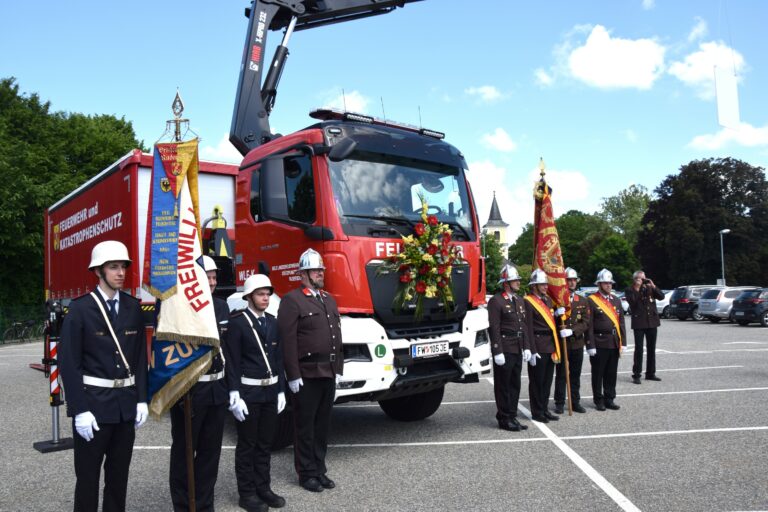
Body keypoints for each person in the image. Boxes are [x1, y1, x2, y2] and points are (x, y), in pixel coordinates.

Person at [59, 240, 148, 512]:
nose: (120, 272)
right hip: (94, 407)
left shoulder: (133, 307)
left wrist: (142, 398)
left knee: (118, 479)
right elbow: (69, 363)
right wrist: (79, 410)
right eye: (113, 267)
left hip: (124, 407)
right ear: (98, 271)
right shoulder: (80, 309)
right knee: (87, 479)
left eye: (123, 266)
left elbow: (140, 358)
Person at [278, 248, 343, 493]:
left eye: (321, 270)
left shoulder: (328, 298)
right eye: (316, 270)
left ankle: (320, 469)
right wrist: (292, 375)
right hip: (306, 374)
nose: (320, 273)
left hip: (327, 371)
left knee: (322, 426)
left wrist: (338, 367)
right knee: (305, 427)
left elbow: (336, 334)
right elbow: (288, 340)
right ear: (303, 274)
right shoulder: (292, 300)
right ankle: (306, 474)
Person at [168, 255, 230, 512]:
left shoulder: (221, 307)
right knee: (184, 452)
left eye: (215, 277)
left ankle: (205, 504)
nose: (213, 282)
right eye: (208, 276)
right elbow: (170, 355)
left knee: (209, 452)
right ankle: (183, 505)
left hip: (216, 388)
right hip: (190, 390)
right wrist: (180, 390)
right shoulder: (179, 308)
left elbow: (228, 350)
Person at [226, 274, 287, 511]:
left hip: (270, 392)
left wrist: (281, 390)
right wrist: (234, 393)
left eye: (268, 294)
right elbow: (232, 360)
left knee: (265, 444)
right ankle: (247, 493)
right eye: (261, 294)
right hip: (249, 393)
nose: (265, 298)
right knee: (247, 445)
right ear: (249, 296)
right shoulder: (238, 323)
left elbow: (278, 359)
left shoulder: (272, 322)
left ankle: (264, 488)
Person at [488, 265, 532, 432]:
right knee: (503, 385)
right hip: (505, 349)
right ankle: (504, 417)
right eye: (515, 280)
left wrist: (527, 347)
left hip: (518, 348)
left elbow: (524, 325)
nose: (519, 282)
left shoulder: (519, 300)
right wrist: (497, 350)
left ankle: (512, 415)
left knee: (515, 384)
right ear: (506, 283)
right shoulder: (496, 301)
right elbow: (494, 328)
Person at [524, 268, 565, 423]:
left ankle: (545, 409)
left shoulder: (548, 300)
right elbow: (528, 327)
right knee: (537, 381)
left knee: (547, 380)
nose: (546, 287)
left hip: (550, 345)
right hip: (538, 345)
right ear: (534, 286)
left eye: (546, 284)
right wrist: (532, 350)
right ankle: (537, 411)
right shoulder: (528, 301)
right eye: (542, 285)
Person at [587, 269, 627, 411]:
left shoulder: (616, 300)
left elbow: (621, 322)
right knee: (598, 373)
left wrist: (624, 342)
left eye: (610, 283)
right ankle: (598, 400)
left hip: (613, 341)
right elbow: (589, 325)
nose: (608, 285)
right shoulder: (592, 300)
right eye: (605, 283)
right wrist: (590, 344)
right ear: (599, 284)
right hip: (599, 341)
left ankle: (609, 398)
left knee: (611, 373)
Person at [553, 267, 591, 414]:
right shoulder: (557, 300)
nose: (572, 283)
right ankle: (559, 402)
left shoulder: (582, 300)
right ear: (564, 282)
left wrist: (573, 331)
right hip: (562, 343)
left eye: (574, 280)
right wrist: (556, 314)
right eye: (569, 280)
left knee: (575, 374)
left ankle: (575, 401)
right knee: (562, 373)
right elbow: (549, 319)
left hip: (576, 342)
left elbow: (586, 322)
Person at [625, 270, 665, 385]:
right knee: (639, 349)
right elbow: (633, 303)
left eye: (644, 278)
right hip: (639, 323)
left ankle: (650, 373)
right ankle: (636, 374)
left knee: (651, 348)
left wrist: (653, 285)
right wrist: (637, 288)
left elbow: (661, 296)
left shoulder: (649, 288)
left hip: (652, 322)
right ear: (635, 279)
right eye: (640, 278)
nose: (643, 281)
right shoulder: (630, 290)